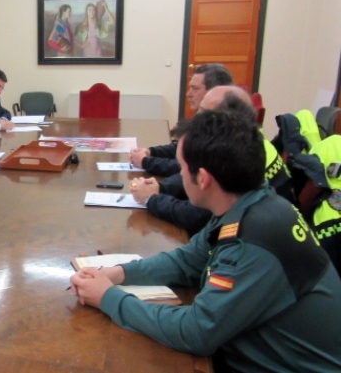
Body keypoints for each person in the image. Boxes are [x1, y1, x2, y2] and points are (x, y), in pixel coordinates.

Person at [71, 110, 341, 372]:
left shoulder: (254, 238)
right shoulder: (251, 202)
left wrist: (108, 298)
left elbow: (196, 332)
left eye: (182, 167)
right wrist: (119, 273)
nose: (177, 176)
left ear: (203, 179)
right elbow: (188, 260)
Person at [130, 86, 293, 235]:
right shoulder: (245, 142)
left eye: (203, 113)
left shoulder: (236, 158)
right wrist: (161, 187)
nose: (196, 117)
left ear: (221, 121)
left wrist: (152, 198)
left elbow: (194, 216)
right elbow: (190, 170)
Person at [129, 63, 233, 176]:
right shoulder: (209, 117)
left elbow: (188, 168)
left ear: (213, 91)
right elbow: (184, 146)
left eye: (195, 89)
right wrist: (150, 152)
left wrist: (145, 162)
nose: (189, 94)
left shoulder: (223, 127)